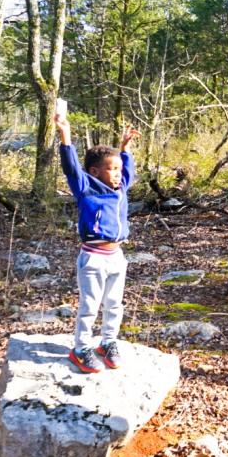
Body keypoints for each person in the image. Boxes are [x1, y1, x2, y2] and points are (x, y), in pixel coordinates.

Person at [56, 112, 138, 373]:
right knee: (90, 306)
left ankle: (108, 343)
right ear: (94, 171)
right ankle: (81, 349)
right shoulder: (86, 188)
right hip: (92, 257)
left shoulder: (120, 189)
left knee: (114, 303)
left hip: (116, 256)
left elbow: (129, 171)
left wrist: (124, 149)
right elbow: (71, 167)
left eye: (118, 169)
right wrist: (65, 136)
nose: (117, 174)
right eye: (111, 169)